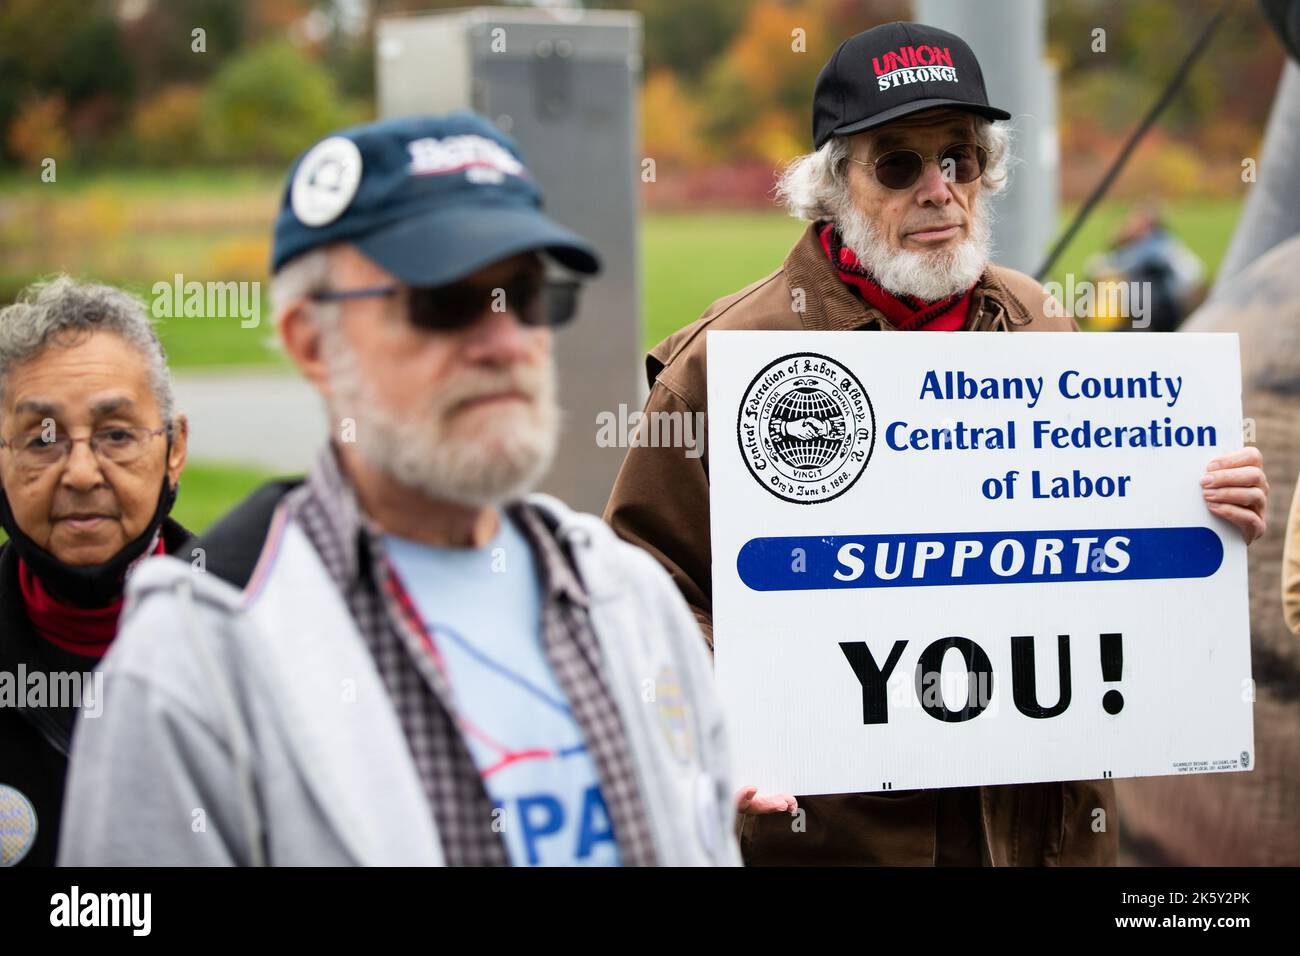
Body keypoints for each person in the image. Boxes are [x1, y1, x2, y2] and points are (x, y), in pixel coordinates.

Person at [604, 21, 1270, 866]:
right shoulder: (726, 362)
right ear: (832, 184)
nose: (938, 189)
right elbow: (643, 590)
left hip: (1049, 837)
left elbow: (1111, 538)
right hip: (841, 842)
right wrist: (720, 714)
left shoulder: (1042, 317)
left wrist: (1205, 507)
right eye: (898, 164)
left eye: (960, 158)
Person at [59, 113, 739, 867]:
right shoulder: (196, 657)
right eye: (443, 300)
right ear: (312, 342)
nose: (505, 339)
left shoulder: (627, 599)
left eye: (528, 293)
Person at [0, 277, 190, 867]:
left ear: (174, 450)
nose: (81, 473)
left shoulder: (260, 641)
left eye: (115, 435)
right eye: (42, 439)